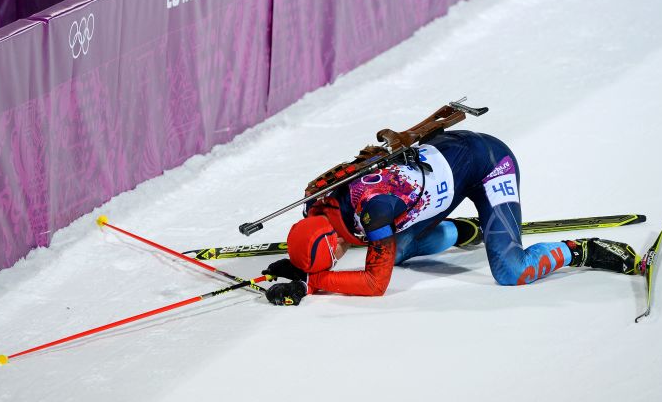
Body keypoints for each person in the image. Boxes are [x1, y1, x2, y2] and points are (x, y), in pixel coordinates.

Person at [263, 130, 641, 306]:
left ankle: (581, 251)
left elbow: (376, 285)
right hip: (444, 162)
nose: (345, 252)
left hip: (490, 163)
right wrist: (300, 268)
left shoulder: (373, 210)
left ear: (334, 241)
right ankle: (463, 230)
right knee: (392, 251)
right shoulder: (317, 197)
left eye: (336, 254)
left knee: (510, 271)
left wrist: (313, 284)